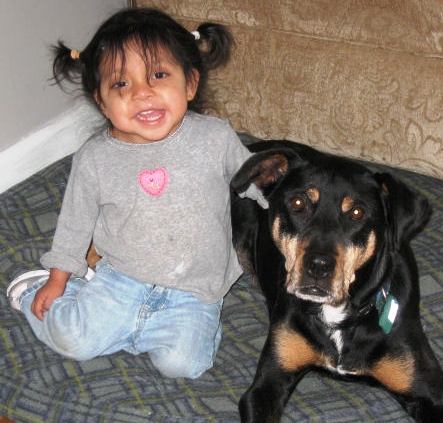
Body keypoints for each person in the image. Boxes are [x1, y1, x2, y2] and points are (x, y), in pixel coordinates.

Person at [6, 7, 260, 379]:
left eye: (158, 75)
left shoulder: (215, 138)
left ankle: (145, 330)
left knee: (185, 365)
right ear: (101, 100)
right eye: (121, 84)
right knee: (74, 340)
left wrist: (299, 207)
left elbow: (256, 181)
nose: (143, 93)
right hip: (121, 279)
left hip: (195, 289)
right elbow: (75, 223)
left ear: (189, 83)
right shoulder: (95, 158)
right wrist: (57, 278)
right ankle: (33, 294)